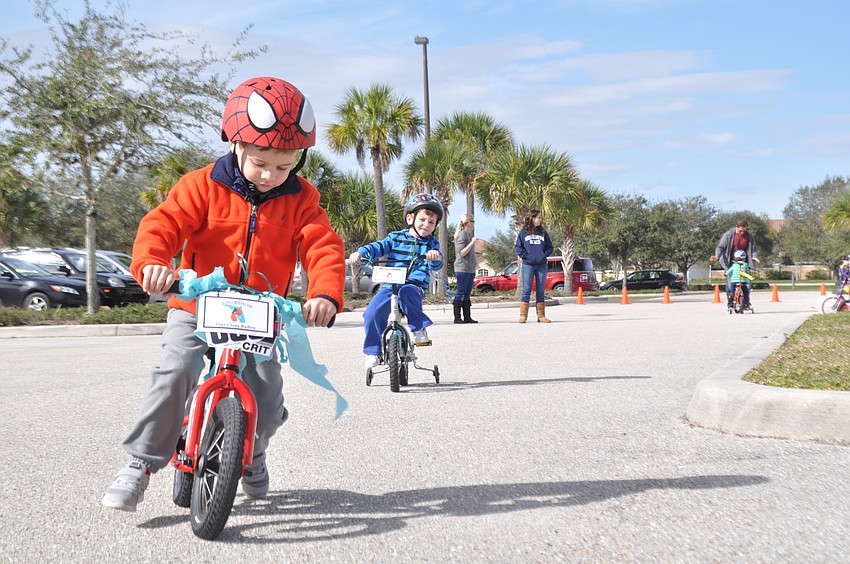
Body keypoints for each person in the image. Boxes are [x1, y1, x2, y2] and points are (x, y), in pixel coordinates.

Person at [101, 76, 346, 512]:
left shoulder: (303, 200)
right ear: (235, 144)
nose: (271, 176)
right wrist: (155, 264)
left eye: (284, 167)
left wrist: (324, 293)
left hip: (260, 310)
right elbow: (163, 225)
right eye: (260, 163)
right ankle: (140, 462)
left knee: (267, 403)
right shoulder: (200, 185)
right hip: (197, 302)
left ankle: (252, 453)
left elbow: (321, 245)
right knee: (176, 372)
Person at [349, 193, 444, 368]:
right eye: (422, 220)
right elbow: (377, 247)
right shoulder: (395, 238)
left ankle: (418, 328)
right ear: (410, 218)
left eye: (431, 223)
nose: (426, 225)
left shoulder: (431, 244)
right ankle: (373, 352)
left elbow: (438, 263)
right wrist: (361, 253)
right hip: (390, 284)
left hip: (413, 286)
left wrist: (434, 257)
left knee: (407, 291)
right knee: (371, 313)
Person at [514, 209, 554, 323]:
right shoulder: (523, 233)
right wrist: (526, 256)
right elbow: (518, 247)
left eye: (540, 217)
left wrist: (543, 255)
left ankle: (541, 316)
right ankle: (523, 315)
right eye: (538, 217)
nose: (540, 219)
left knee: (540, 290)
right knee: (526, 289)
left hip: (541, 265)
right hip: (528, 265)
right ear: (532, 218)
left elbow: (550, 247)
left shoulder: (543, 233)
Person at [711, 219, 760, 301]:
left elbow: (754, 249)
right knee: (731, 283)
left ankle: (745, 300)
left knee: (747, 282)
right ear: (736, 227)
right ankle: (731, 303)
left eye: (744, 230)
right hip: (730, 262)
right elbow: (720, 247)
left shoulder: (749, 236)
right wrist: (717, 256)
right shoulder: (728, 235)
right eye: (740, 231)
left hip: (743, 262)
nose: (742, 233)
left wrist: (754, 256)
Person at [452, 214, 480, 324]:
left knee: (467, 292)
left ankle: (467, 316)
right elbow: (462, 252)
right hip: (462, 268)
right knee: (460, 291)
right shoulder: (462, 235)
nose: (473, 224)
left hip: (470, 269)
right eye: (472, 222)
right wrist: (472, 243)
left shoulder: (468, 235)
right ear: (468, 223)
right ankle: (457, 317)